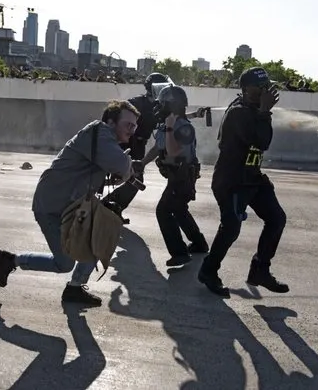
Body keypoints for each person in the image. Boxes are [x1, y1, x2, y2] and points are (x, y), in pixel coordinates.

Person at [0, 100, 139, 307]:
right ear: (110, 121)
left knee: (96, 240)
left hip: (71, 205)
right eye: (128, 124)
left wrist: (122, 171)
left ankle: (75, 288)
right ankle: (11, 260)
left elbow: (112, 169)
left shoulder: (102, 140)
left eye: (134, 126)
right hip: (53, 205)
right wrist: (127, 167)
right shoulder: (100, 133)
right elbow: (120, 164)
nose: (132, 131)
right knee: (63, 263)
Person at [198, 67, 288, 298]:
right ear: (247, 89)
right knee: (231, 228)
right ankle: (209, 271)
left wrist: (263, 111)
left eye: (267, 85)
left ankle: (260, 269)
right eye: (261, 86)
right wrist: (265, 111)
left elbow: (261, 142)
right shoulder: (238, 112)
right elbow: (262, 141)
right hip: (232, 180)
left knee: (276, 218)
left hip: (252, 178)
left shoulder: (254, 110)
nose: (267, 90)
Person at [104, 73, 207, 223]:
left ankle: (113, 207)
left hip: (140, 145)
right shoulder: (136, 103)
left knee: (133, 176)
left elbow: (174, 117)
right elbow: (117, 114)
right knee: (134, 177)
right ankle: (108, 206)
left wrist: (195, 114)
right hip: (127, 142)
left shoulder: (161, 104)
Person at [147, 85, 208, 267]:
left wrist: (169, 129)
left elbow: (173, 152)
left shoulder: (181, 128)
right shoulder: (169, 123)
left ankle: (180, 253)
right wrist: (141, 163)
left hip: (182, 177)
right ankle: (199, 244)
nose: (159, 107)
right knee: (179, 210)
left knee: (163, 211)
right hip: (176, 177)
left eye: (163, 103)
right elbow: (159, 148)